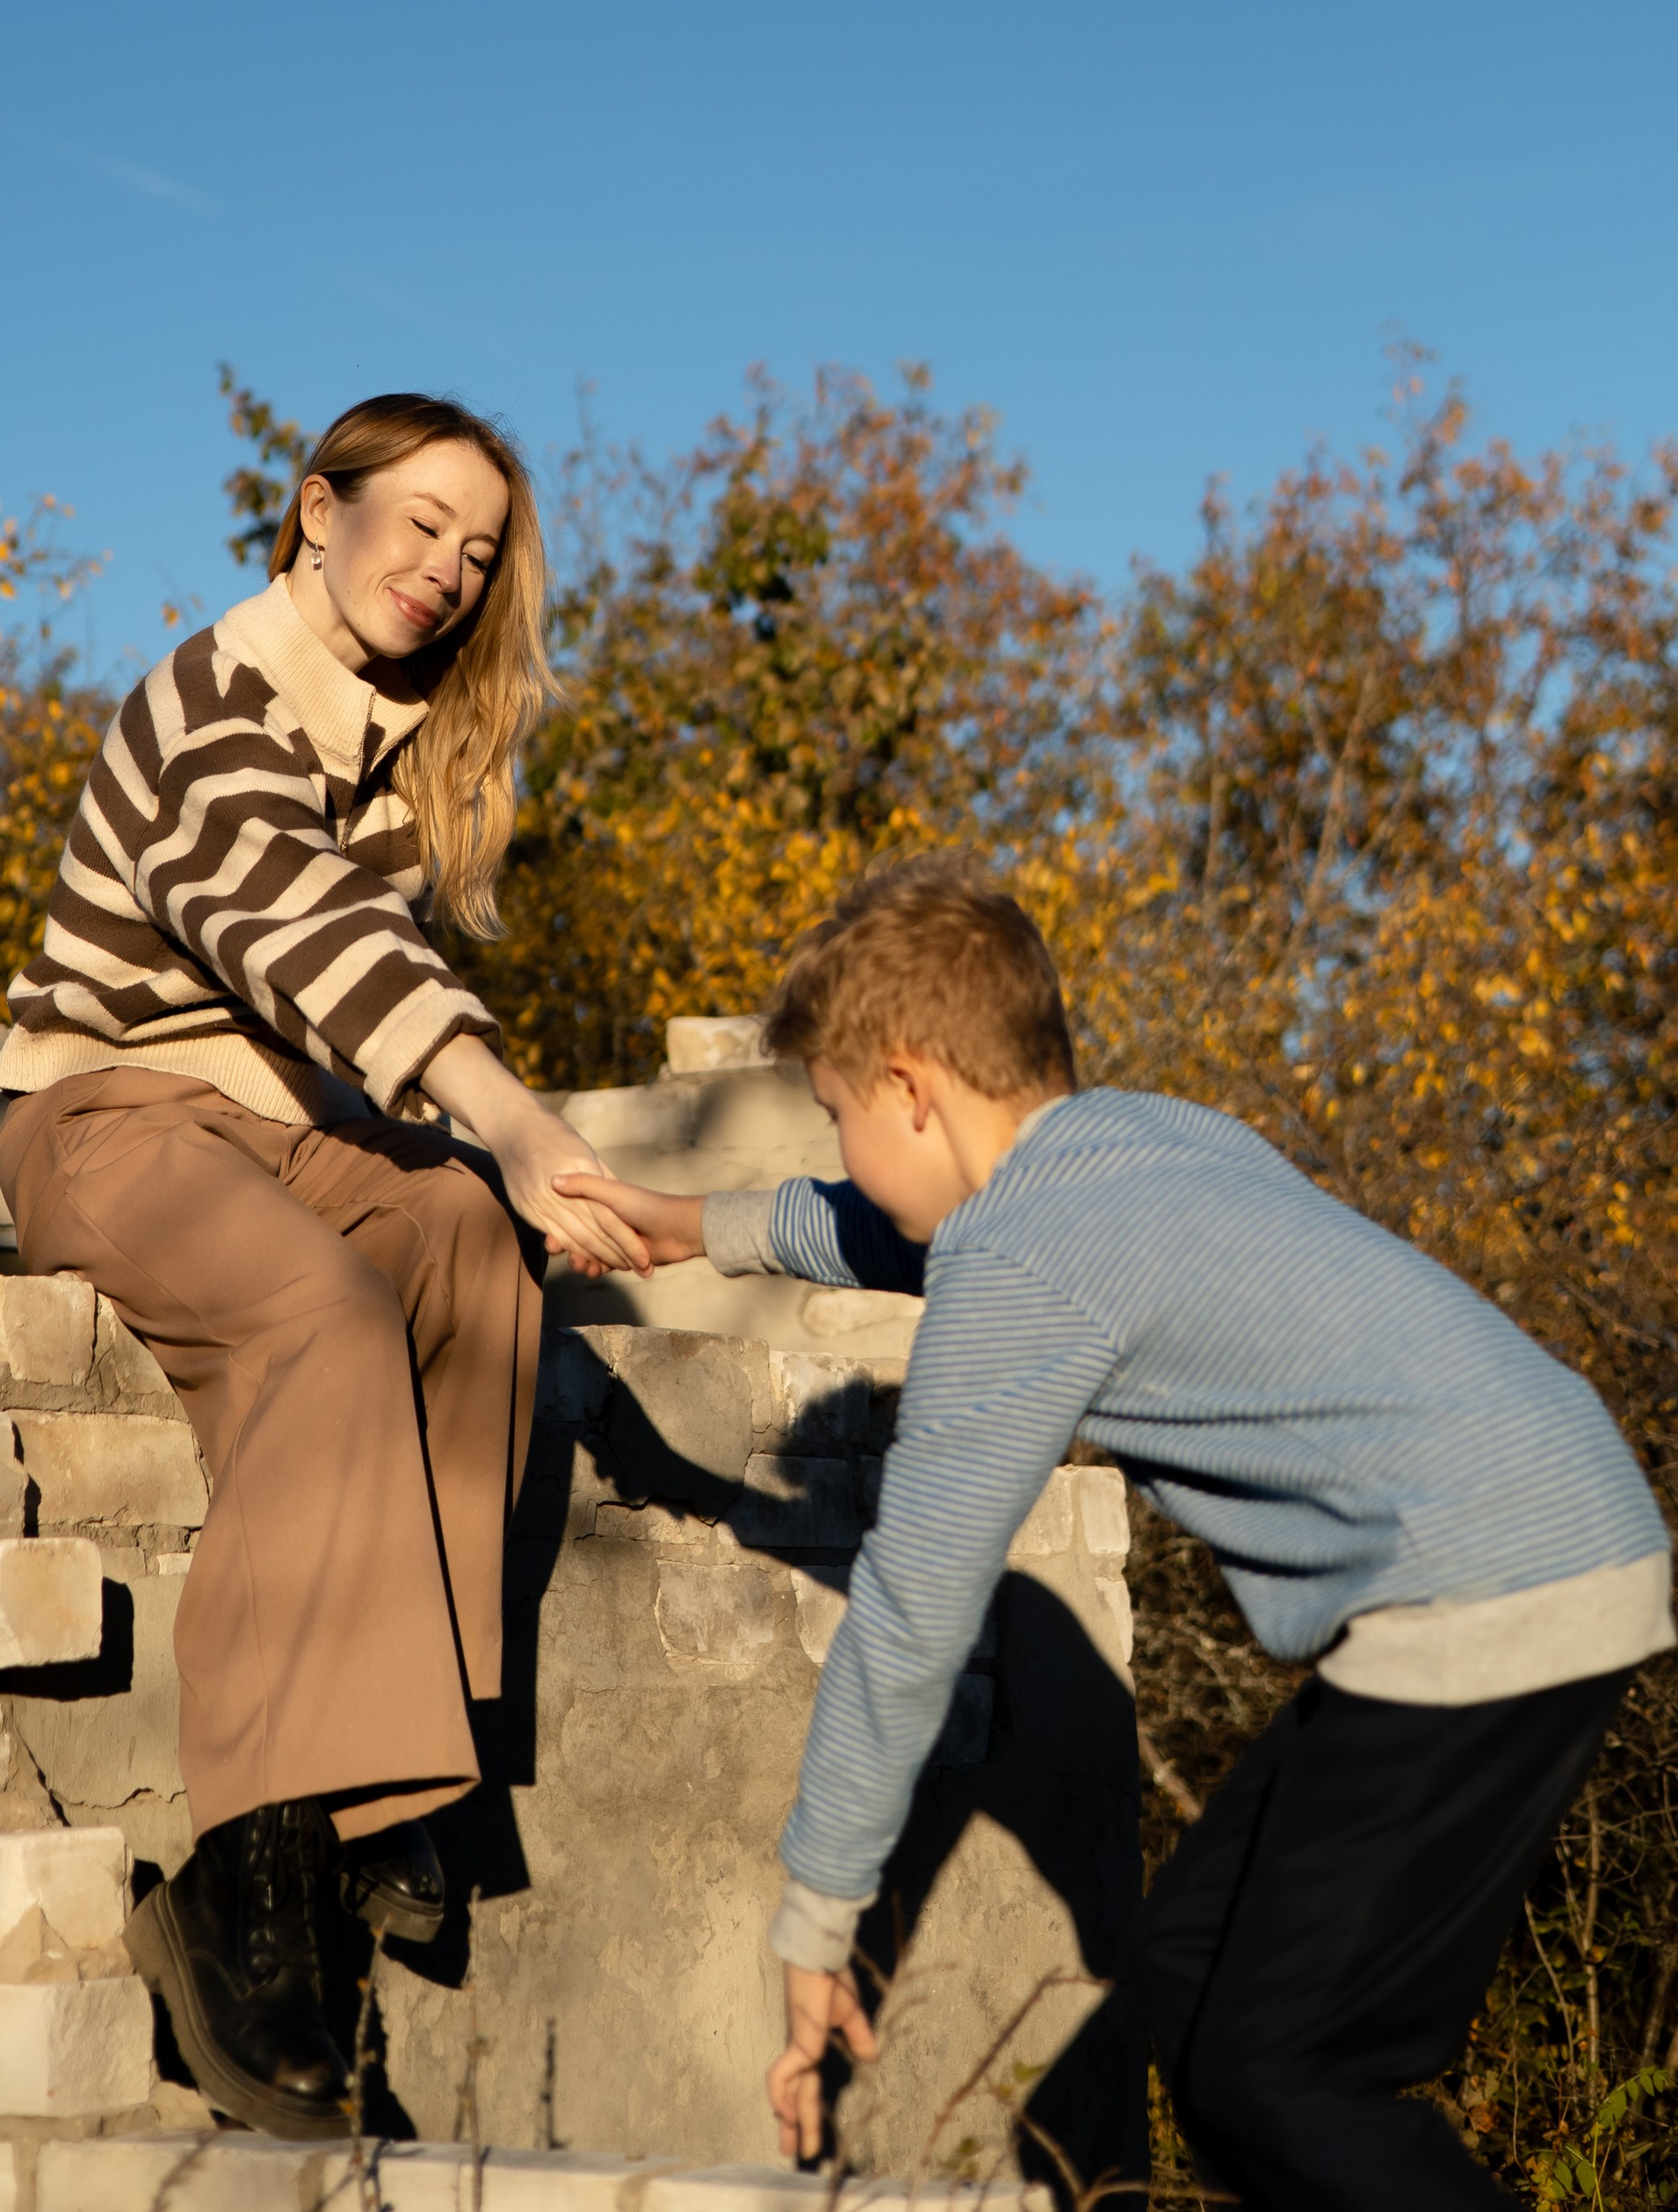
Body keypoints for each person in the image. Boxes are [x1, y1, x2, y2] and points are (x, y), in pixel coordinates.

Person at [558, 857, 1672, 2209]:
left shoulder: (1018, 1266)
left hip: (1489, 1586)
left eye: (838, 1114)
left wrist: (814, 1918)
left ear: (911, 1087)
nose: (837, 1148)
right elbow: (913, 1226)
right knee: (1195, 1981)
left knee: (1278, 2075)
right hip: (1546, 1523)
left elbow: (911, 1620)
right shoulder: (1143, 1140)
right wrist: (700, 1228)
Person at [0, 393, 640, 2138]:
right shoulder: (214, 700)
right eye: (418, 522)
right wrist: (509, 1113)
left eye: (477, 550)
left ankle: (387, 1780)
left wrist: (512, 1181)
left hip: (284, 1144)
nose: (445, 568)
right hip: (111, 1126)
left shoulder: (396, 751)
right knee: (326, 1307)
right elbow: (302, 940)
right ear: (314, 510)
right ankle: (254, 1866)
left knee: (459, 1244)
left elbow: (356, 1034)